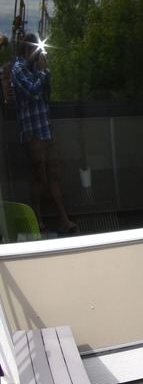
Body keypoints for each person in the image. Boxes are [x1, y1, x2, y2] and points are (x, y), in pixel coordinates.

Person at [10, 33, 76, 235]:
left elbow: (47, 91)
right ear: (26, 51)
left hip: (47, 132)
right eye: (34, 49)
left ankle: (64, 220)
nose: (38, 53)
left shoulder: (37, 69)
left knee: (55, 177)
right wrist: (41, 72)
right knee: (39, 178)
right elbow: (32, 92)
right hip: (33, 134)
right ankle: (38, 221)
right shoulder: (18, 69)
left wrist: (45, 72)